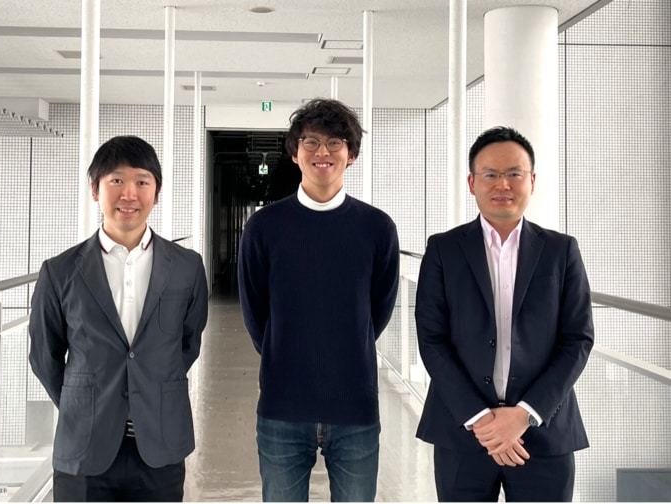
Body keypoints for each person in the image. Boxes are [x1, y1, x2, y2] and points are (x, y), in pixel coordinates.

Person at [415, 126, 594, 501]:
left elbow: (577, 340)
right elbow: (433, 341)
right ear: (471, 182)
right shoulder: (443, 250)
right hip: (462, 432)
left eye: (514, 174)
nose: (503, 184)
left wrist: (525, 413)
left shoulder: (561, 251)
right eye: (491, 174)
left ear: (532, 181)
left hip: (543, 435)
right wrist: (480, 419)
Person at [29, 135, 208, 501]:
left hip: (159, 444)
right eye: (116, 181)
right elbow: (44, 355)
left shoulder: (187, 267)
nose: (130, 194)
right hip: (85, 448)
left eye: (142, 182)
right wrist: (86, 403)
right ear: (95, 190)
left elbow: (188, 343)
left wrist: (149, 391)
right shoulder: (60, 271)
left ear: (156, 193)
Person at [238, 98, 400, 502]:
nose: (322, 152)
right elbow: (254, 309)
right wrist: (284, 349)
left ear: (352, 154)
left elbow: (378, 309)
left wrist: (345, 342)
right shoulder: (264, 227)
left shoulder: (377, 228)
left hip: (355, 405)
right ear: (295, 153)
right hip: (282, 404)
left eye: (335, 142)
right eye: (311, 142)